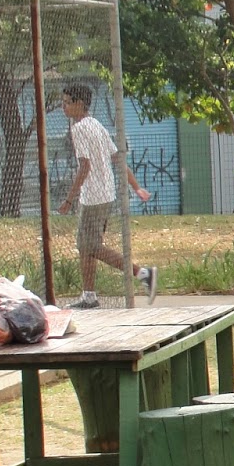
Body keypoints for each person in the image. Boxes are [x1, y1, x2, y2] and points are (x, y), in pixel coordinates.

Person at [55, 82, 157, 309]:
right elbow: (117, 159)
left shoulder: (79, 128)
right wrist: (136, 187)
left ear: (80, 104)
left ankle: (143, 274)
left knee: (91, 247)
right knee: (86, 247)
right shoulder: (96, 125)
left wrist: (69, 199)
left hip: (93, 198)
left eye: (67, 103)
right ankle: (89, 296)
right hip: (106, 195)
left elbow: (85, 166)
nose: (63, 107)